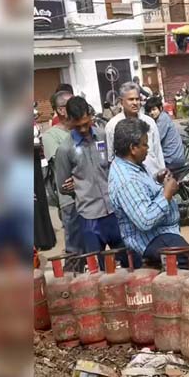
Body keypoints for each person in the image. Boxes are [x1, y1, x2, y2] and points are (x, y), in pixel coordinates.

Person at [108, 118, 189, 271]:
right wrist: (166, 194)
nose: (148, 148)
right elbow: (145, 220)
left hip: (162, 234)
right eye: (145, 144)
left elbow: (140, 192)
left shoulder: (132, 166)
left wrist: (156, 180)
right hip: (152, 239)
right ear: (133, 148)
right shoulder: (126, 180)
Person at [54, 96, 130, 266]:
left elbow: (114, 166)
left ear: (90, 115)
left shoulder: (103, 136)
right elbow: (62, 186)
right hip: (89, 217)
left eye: (86, 124)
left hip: (114, 210)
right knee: (100, 270)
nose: (83, 129)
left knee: (129, 260)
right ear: (69, 120)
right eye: (78, 125)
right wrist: (76, 186)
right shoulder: (65, 150)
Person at [42, 91, 84, 271]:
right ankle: (72, 280)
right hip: (70, 200)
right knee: (75, 247)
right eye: (71, 103)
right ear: (61, 110)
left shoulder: (83, 129)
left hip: (90, 195)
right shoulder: (51, 136)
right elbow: (62, 167)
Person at [105, 82, 164, 177]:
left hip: (153, 175)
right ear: (121, 101)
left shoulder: (149, 122)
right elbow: (111, 157)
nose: (135, 103)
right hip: (129, 178)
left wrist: (162, 172)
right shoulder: (112, 126)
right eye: (131, 99)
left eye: (137, 99)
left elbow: (157, 150)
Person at [144, 96, 186, 170]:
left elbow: (155, 139)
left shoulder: (162, 119)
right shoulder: (160, 118)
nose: (152, 113)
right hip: (172, 157)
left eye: (154, 109)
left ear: (160, 108)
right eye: (149, 111)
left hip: (171, 158)